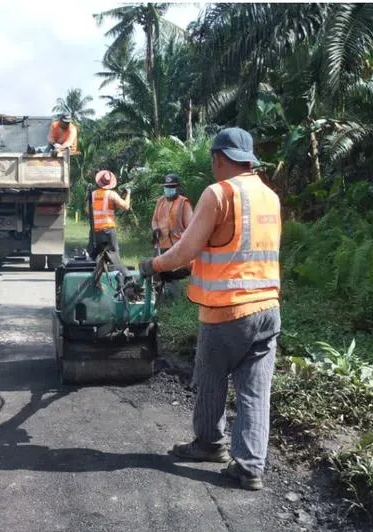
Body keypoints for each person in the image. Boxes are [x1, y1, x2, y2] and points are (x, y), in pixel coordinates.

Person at [138, 127, 282, 491]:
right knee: (254, 390)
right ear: (249, 160)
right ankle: (250, 467)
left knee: (210, 380)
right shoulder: (270, 196)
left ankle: (208, 445)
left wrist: (151, 266)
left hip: (227, 311)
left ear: (219, 159)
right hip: (268, 309)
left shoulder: (219, 193)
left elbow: (185, 250)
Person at [151, 173, 194, 293]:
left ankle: (173, 299)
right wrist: (155, 229)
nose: (168, 190)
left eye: (172, 187)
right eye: (167, 187)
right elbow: (154, 220)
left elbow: (190, 227)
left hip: (175, 245)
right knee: (157, 273)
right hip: (160, 244)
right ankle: (159, 297)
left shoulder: (184, 203)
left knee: (172, 274)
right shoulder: (160, 201)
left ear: (178, 188)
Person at [87, 169, 130, 255]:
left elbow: (88, 210)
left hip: (95, 230)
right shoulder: (111, 194)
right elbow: (126, 206)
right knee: (114, 254)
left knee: (95, 254)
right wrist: (128, 194)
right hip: (108, 230)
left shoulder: (93, 194)